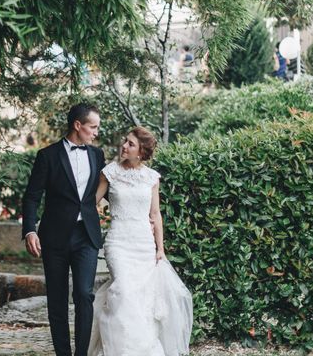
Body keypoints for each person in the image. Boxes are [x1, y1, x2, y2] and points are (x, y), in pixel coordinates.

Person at [89, 127, 192, 356]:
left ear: (142, 152)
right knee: (124, 292)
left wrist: (160, 250)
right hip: (118, 242)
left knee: (141, 300)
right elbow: (92, 203)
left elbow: (155, 215)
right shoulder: (110, 172)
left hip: (144, 245)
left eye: (131, 144)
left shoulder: (151, 178)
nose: (124, 146)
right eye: (125, 141)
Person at [22, 103, 106, 356]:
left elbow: (107, 192)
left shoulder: (97, 155)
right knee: (57, 300)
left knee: (84, 295)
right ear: (77, 125)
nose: (96, 132)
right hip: (54, 237)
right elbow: (31, 197)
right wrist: (29, 230)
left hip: (86, 235)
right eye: (93, 127)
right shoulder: (47, 156)